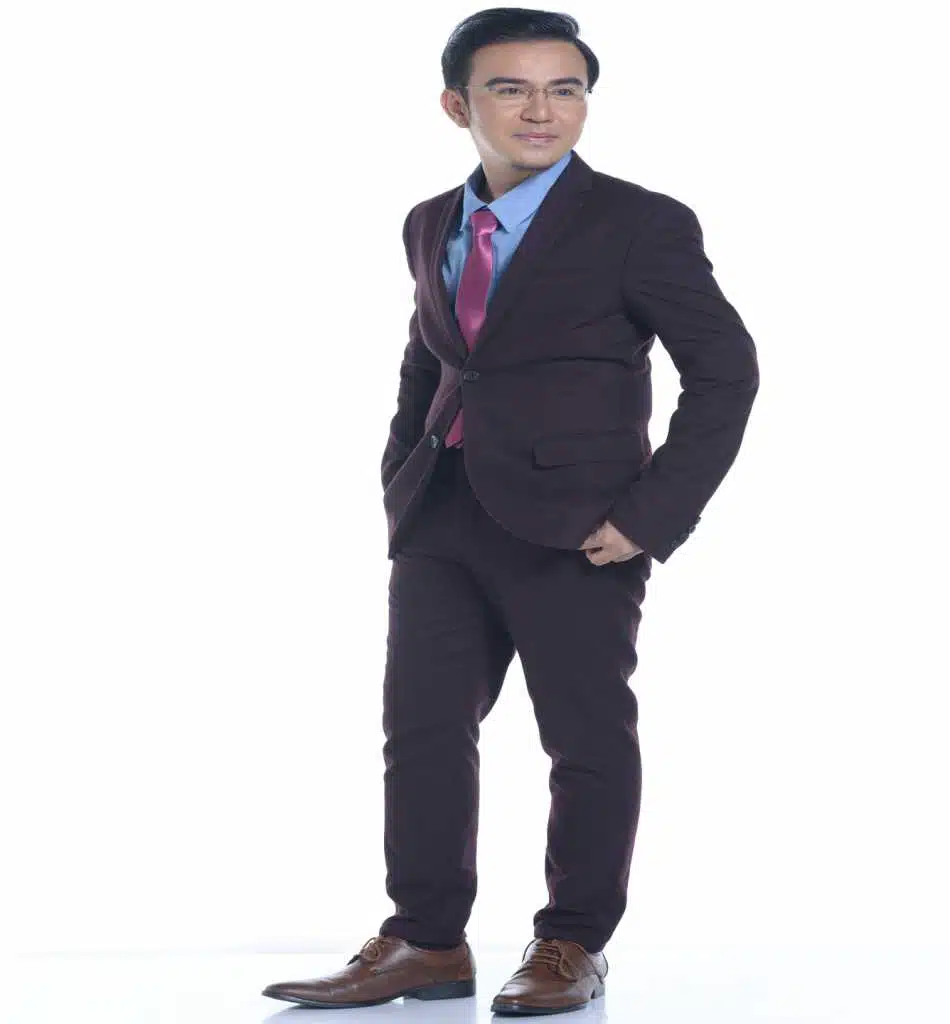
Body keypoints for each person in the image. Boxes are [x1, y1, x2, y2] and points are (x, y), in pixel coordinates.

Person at [263, 6, 759, 1016]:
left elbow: (726, 372)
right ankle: (425, 941)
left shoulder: (639, 222)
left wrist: (651, 515)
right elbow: (431, 356)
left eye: (564, 89)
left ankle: (571, 942)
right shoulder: (429, 221)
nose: (542, 110)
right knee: (421, 730)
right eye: (512, 89)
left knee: (584, 737)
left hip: (582, 524)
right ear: (458, 106)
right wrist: (401, 474)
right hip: (440, 516)